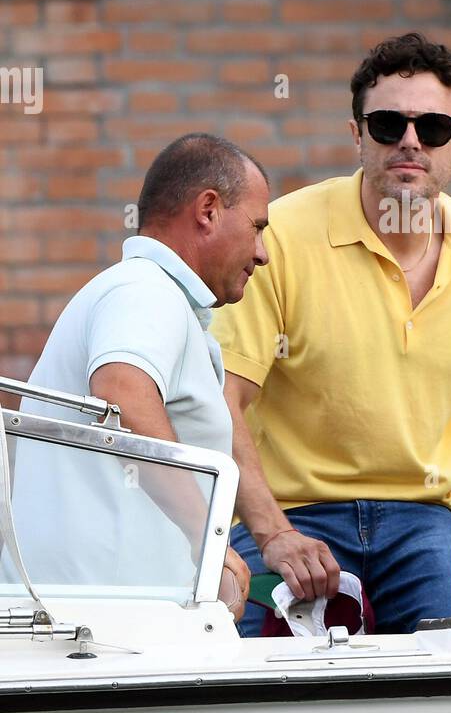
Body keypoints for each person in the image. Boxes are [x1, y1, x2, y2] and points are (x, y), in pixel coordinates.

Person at [211, 32, 451, 635]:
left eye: (433, 127)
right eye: (387, 124)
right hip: (294, 514)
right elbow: (223, 402)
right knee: (236, 662)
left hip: (425, 521)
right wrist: (273, 534)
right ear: (356, 134)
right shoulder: (280, 236)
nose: (410, 141)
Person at [8, 133, 270, 618]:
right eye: (256, 228)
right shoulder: (144, 290)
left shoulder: (145, 292)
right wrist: (208, 544)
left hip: (103, 619)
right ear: (208, 210)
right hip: (108, 627)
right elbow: (123, 394)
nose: (262, 253)